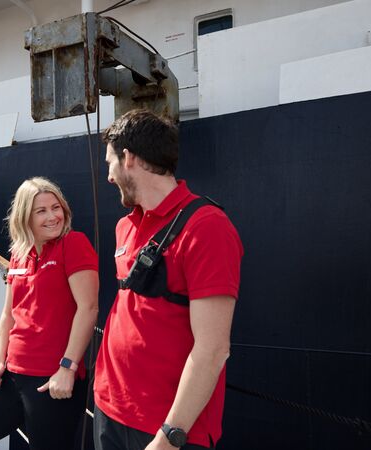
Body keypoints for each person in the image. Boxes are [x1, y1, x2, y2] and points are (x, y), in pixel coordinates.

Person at [94, 109, 243, 450]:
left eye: (109, 163)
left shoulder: (207, 228)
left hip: (163, 430)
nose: (109, 176)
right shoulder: (124, 226)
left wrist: (169, 437)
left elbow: (213, 349)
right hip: (108, 409)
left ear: (128, 158)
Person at [0, 177, 99, 450]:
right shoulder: (18, 254)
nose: (52, 216)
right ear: (25, 217)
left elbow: (89, 308)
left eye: (56, 208)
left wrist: (67, 368)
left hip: (52, 382)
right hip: (11, 377)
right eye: (41, 211)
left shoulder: (74, 244)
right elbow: (8, 314)